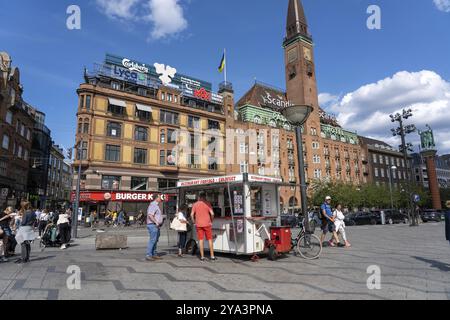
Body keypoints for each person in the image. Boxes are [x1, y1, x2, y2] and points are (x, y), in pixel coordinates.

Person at [191, 191, 216, 262]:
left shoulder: (195, 204)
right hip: (207, 224)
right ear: (205, 197)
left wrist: (194, 222)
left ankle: (202, 257)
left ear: (199, 197)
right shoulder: (207, 204)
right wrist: (211, 221)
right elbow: (212, 213)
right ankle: (212, 256)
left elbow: (191, 214)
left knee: (201, 240)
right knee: (210, 240)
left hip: (198, 224)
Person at [146, 195, 164, 261]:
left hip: (156, 225)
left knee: (155, 240)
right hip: (153, 225)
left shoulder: (156, 205)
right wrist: (156, 222)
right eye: (159, 197)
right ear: (156, 198)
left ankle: (154, 254)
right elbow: (150, 215)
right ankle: (149, 255)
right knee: (153, 240)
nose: (161, 198)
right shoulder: (153, 205)